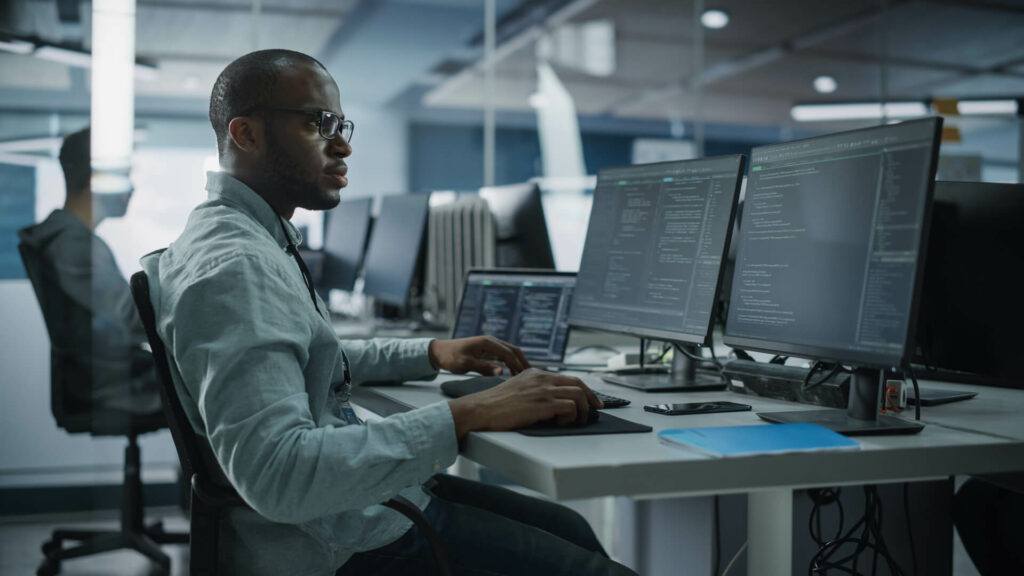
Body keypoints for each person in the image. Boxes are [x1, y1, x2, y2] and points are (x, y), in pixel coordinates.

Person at [141, 49, 635, 576]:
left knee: (571, 530)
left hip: (342, 511)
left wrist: (431, 352)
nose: (343, 144)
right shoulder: (237, 266)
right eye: (319, 123)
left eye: (341, 123)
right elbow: (280, 476)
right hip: (332, 539)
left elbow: (304, 354)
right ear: (246, 134)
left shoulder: (237, 237)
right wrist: (473, 412)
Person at [18, 127, 162, 416]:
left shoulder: (67, 239)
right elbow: (135, 319)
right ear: (97, 178)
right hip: (118, 385)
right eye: (124, 176)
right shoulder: (73, 244)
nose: (131, 189)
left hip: (113, 374)